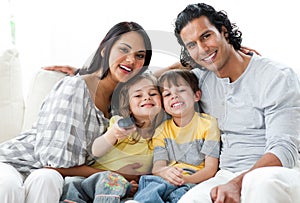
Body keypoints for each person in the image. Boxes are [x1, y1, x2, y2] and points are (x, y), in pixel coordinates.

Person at [0, 21, 152, 203]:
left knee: (46, 179)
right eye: (124, 50)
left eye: (139, 55)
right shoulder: (74, 88)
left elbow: (166, 81)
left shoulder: (122, 102)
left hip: (47, 176)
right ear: (104, 49)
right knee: (8, 186)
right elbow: (54, 164)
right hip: (16, 163)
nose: (131, 60)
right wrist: (117, 175)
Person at [172, 3, 300, 203]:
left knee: (262, 184)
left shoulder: (276, 76)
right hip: (226, 175)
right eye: (192, 45)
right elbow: (150, 83)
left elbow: (284, 149)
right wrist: (190, 60)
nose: (203, 48)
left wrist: (238, 183)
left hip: (276, 173)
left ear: (224, 32)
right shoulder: (201, 80)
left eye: (206, 36)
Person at [61, 72, 165, 203]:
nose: (146, 98)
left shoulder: (163, 133)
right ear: (129, 107)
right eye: (138, 95)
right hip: (97, 179)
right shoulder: (121, 124)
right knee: (72, 183)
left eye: (153, 94)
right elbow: (96, 150)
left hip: (124, 188)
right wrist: (112, 134)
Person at [132, 69, 220, 203]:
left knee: (183, 196)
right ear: (163, 105)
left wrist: (186, 179)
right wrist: (164, 172)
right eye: (167, 94)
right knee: (152, 188)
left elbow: (210, 169)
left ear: (196, 95)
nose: (174, 96)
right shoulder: (161, 130)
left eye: (181, 90)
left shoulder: (208, 124)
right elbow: (158, 167)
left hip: (194, 179)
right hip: (166, 177)